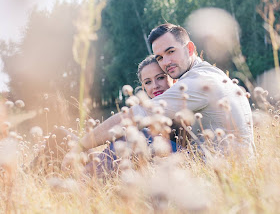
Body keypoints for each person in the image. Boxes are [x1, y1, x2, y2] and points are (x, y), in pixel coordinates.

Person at [63, 23, 254, 169]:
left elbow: (132, 117)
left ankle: (81, 187)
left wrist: (81, 145)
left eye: (171, 52)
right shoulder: (211, 74)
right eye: (160, 57)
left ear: (189, 49)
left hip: (222, 170)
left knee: (137, 137)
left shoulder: (197, 82)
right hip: (222, 164)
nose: (166, 62)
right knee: (61, 136)